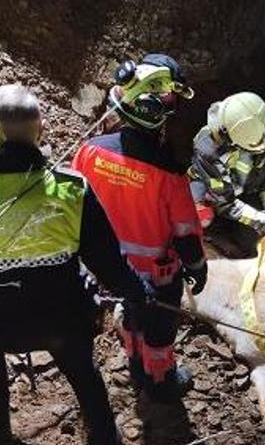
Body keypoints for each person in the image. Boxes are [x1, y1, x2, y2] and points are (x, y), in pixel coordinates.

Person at [0, 85, 151, 445]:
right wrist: (138, 290)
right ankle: (103, 440)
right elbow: (109, 264)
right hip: (63, 324)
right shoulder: (71, 190)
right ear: (42, 131)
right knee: (84, 370)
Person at [72, 54, 206, 400]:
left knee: (131, 312)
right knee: (159, 329)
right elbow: (186, 233)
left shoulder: (89, 152)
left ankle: (133, 359)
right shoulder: (169, 174)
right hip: (156, 275)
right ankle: (159, 380)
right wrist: (197, 267)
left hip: (107, 267)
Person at [188, 92, 265, 257]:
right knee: (202, 218)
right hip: (214, 193)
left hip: (244, 189)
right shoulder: (208, 149)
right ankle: (213, 233)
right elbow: (225, 203)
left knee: (251, 243)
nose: (264, 150)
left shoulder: (263, 135)